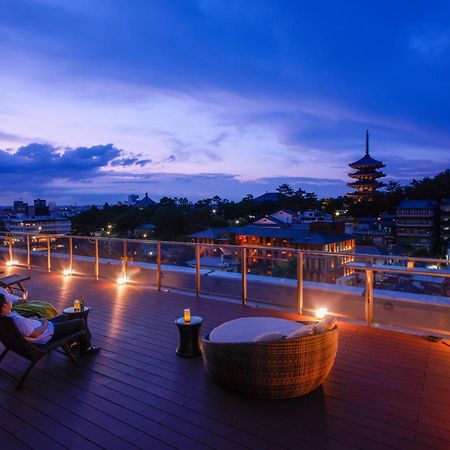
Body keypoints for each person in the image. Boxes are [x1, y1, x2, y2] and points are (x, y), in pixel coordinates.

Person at [0, 294, 100, 355]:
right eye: (7, 300)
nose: (9, 302)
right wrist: (44, 322)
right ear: (4, 305)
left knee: (66, 317)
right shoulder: (15, 321)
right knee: (80, 322)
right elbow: (35, 334)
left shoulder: (6, 318)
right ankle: (86, 348)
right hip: (47, 334)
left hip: (45, 329)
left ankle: (72, 343)